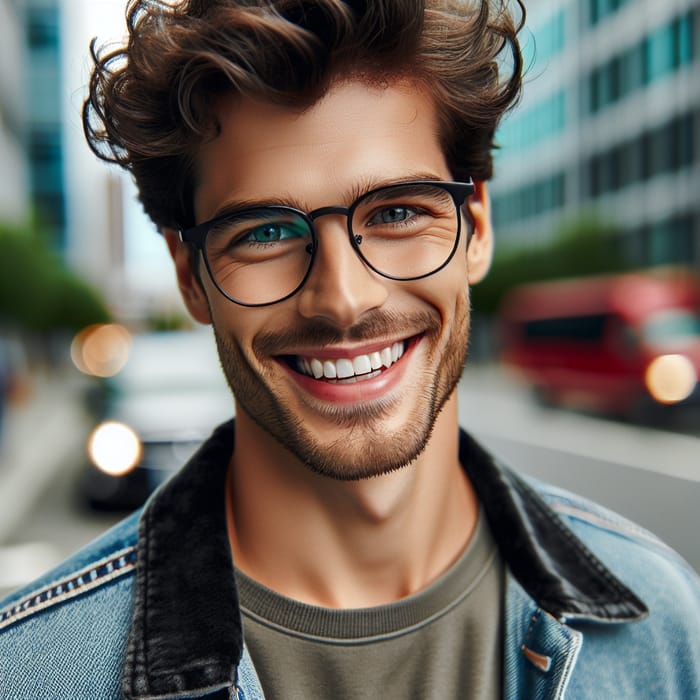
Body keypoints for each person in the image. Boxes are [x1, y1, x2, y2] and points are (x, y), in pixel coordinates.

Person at [1, 1, 699, 697]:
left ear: (477, 226)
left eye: (398, 212)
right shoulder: (31, 675)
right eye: (266, 232)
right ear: (190, 275)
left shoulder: (665, 625)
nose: (344, 298)